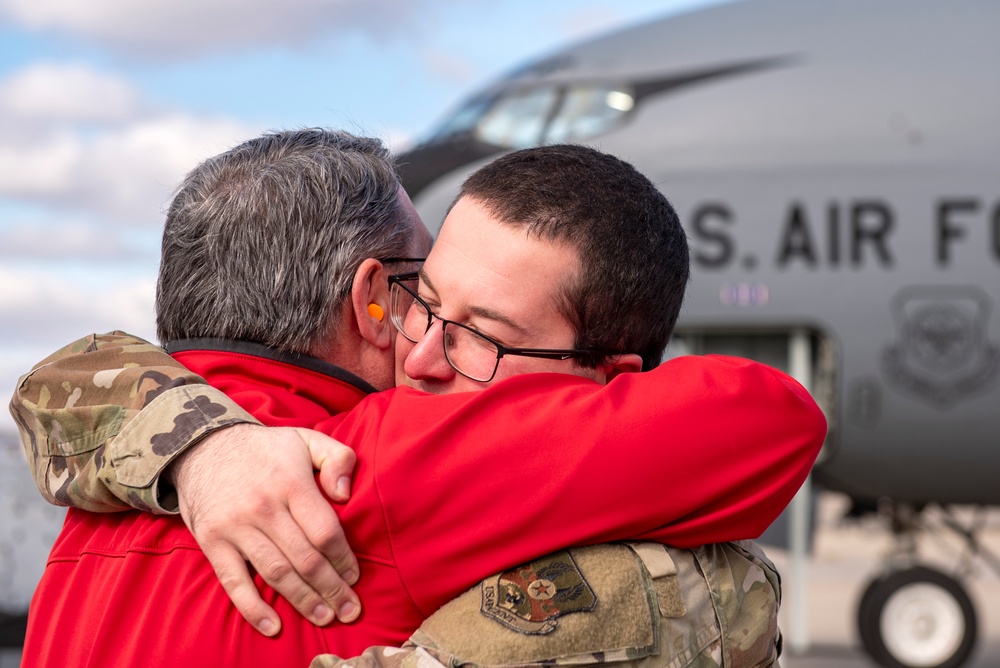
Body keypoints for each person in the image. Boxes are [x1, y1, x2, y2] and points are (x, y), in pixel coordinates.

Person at [12, 132, 824, 666]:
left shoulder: (88, 512)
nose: (424, 352)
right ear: (371, 296)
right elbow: (776, 419)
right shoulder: (384, 463)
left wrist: (195, 441)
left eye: (481, 334)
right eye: (421, 299)